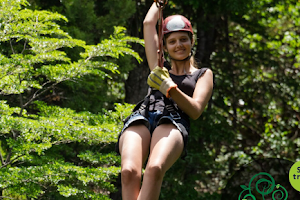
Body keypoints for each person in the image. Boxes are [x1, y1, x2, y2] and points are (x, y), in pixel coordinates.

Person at [116, 2, 214, 200]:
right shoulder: (159, 66)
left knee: (154, 168)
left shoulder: (203, 75)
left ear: (192, 41)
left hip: (173, 121)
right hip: (143, 115)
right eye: (172, 41)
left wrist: (169, 88)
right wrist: (157, 3)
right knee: (128, 171)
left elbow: (195, 110)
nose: (178, 45)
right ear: (165, 46)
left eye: (183, 39)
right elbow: (148, 22)